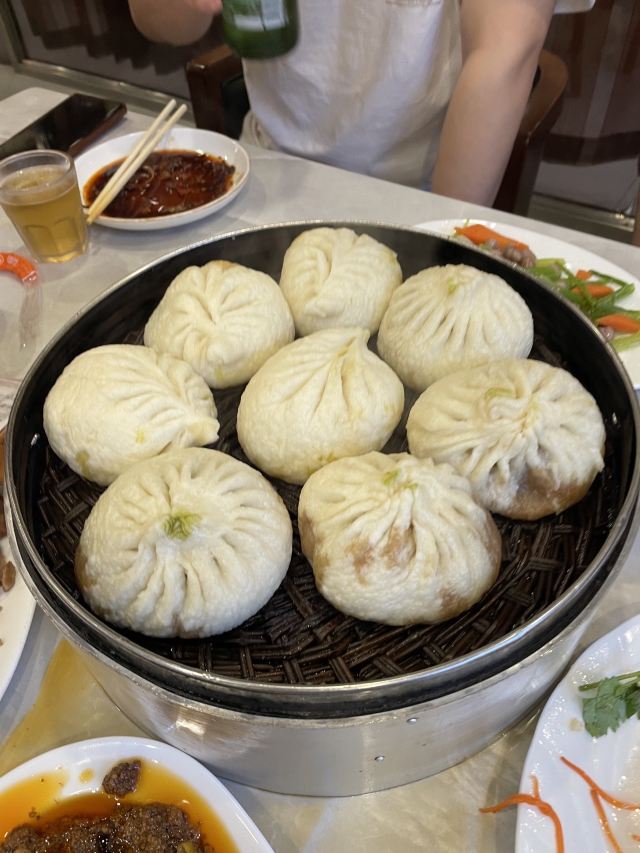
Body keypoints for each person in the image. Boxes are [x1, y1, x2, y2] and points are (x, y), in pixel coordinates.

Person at [128, 0, 593, 206]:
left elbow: (503, 55)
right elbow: (159, 24)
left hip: (420, 193)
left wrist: (439, 238)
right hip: (265, 171)